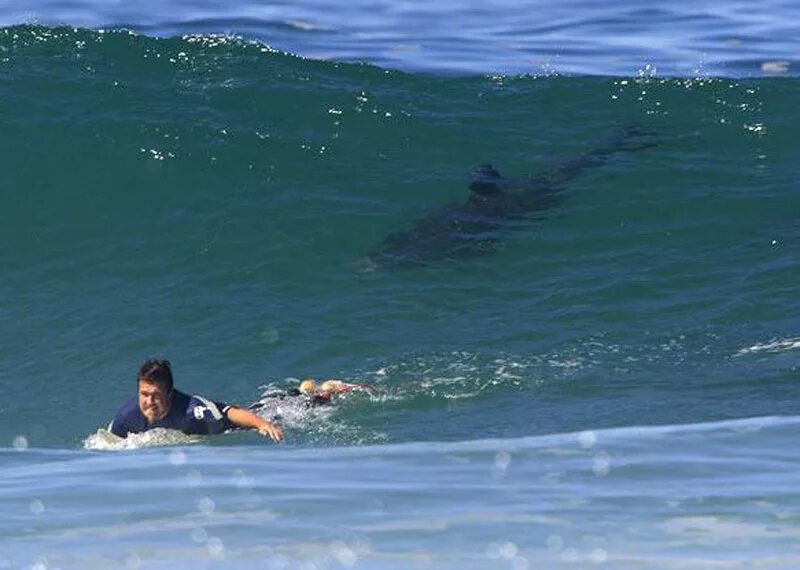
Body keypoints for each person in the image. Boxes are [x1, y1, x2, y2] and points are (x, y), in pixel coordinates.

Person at [109, 359, 283, 442]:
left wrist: (262, 424)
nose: (149, 401)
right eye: (144, 394)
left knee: (278, 413)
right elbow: (109, 442)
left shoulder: (193, 411)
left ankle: (300, 396)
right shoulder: (126, 417)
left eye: (155, 394)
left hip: (232, 426)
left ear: (169, 392)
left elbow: (228, 413)